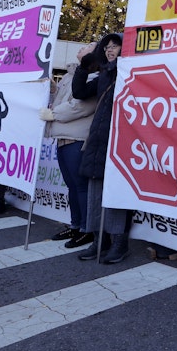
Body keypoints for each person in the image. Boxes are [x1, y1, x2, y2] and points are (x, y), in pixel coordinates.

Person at [71, 32, 134, 264]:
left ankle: (119, 242)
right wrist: (83, 67)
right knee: (96, 192)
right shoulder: (104, 75)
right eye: (106, 46)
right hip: (98, 141)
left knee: (116, 193)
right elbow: (79, 92)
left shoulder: (129, 73)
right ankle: (99, 240)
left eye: (115, 46)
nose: (109, 49)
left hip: (120, 141)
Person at [39, 44, 98, 248]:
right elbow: (60, 99)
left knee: (81, 186)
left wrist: (54, 114)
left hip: (78, 139)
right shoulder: (69, 74)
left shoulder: (93, 76)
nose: (83, 47)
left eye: (89, 46)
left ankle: (86, 229)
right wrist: (52, 89)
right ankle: (75, 225)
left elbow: (81, 106)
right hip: (62, 137)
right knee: (72, 186)